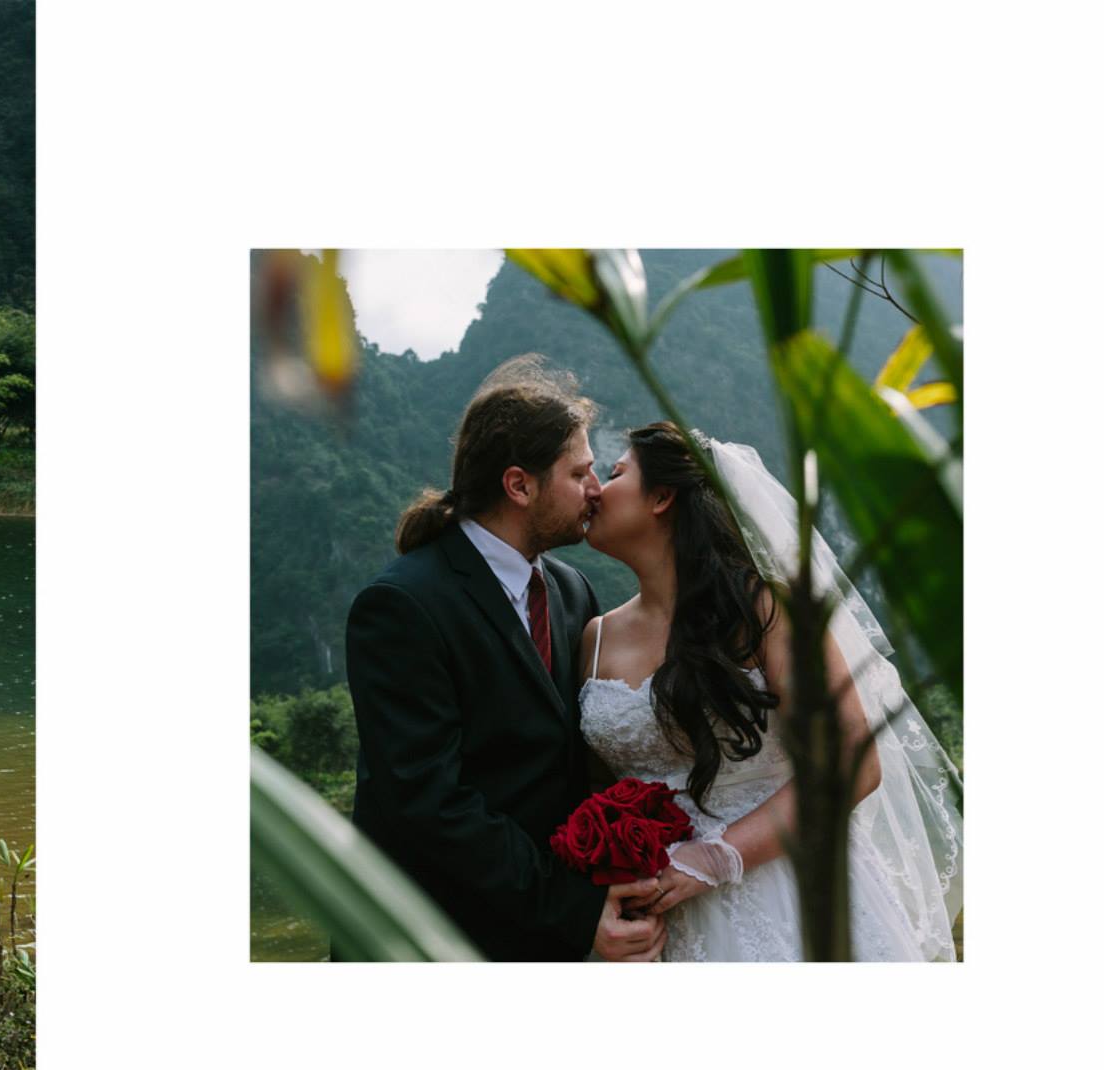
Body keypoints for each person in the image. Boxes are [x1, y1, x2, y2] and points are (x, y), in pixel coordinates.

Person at [575, 423, 962, 960]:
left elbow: (852, 764)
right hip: (650, 920)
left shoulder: (765, 611)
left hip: (784, 892)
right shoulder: (595, 637)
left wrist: (714, 859)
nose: (594, 489)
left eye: (616, 474)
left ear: (662, 497)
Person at [344, 354, 655, 961]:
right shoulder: (401, 606)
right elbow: (428, 803)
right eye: (580, 473)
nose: (597, 490)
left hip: (546, 938)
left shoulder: (570, 590)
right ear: (519, 485)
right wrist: (571, 909)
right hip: (439, 936)